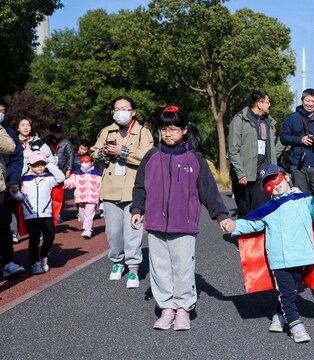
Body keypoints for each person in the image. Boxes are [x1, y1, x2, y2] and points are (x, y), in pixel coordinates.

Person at [131, 106, 233, 330]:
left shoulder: (195, 158)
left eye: (173, 129)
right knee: (160, 268)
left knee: (183, 268)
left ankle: (183, 309)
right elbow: (140, 187)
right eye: (164, 129)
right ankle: (166, 308)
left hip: (184, 225)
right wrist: (137, 210)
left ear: (184, 130)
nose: (168, 134)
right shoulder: (151, 156)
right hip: (156, 224)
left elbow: (208, 191)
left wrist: (222, 216)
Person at [226, 164, 314, 343]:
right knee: (287, 291)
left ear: (286, 177)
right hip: (279, 259)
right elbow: (252, 223)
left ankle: (280, 314)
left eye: (275, 179)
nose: (274, 186)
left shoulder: (305, 200)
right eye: (268, 185)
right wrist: (234, 225)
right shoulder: (269, 209)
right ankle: (295, 324)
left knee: (290, 290)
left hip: (301, 256)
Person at [91, 96, 154, 288]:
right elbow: (94, 153)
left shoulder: (143, 133)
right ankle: (117, 262)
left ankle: (133, 268)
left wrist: (123, 152)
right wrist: (103, 152)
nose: (120, 112)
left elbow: (149, 157)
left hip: (134, 189)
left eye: (125, 108)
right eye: (117, 108)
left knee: (133, 231)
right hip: (110, 188)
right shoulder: (106, 131)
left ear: (133, 111)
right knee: (113, 231)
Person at [228, 90, 277, 218]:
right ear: (259, 104)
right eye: (267, 102)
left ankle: (260, 238)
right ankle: (245, 237)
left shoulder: (269, 122)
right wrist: (240, 173)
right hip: (244, 175)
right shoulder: (240, 120)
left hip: (263, 173)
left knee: (263, 209)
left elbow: (271, 150)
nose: (269, 105)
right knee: (245, 211)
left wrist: (274, 170)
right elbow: (233, 150)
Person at [16, 151, 65, 274]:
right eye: (36, 164)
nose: (39, 166)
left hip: (46, 213)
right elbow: (19, 196)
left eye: (42, 164)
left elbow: (61, 177)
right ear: (29, 165)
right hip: (30, 215)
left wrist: (49, 164)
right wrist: (14, 192)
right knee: (34, 239)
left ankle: (43, 257)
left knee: (50, 236)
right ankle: (35, 263)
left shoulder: (49, 178)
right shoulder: (23, 179)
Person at [279, 89, 314, 194]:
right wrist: (300, 140)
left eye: (313, 101)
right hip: (298, 166)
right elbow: (283, 138)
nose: (310, 104)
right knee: (301, 198)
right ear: (302, 101)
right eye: (307, 101)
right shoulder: (292, 118)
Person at [0, 98, 25, 278]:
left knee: (4, 226)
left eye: (2, 111)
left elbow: (14, 153)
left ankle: (8, 262)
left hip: (4, 186)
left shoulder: (6, 131)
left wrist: (14, 180)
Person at [63, 155, 102, 238]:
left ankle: (88, 230)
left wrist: (101, 198)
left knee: (89, 214)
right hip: (80, 198)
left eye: (86, 162)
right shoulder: (76, 174)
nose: (84, 164)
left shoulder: (97, 175)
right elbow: (71, 183)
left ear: (92, 163)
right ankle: (86, 226)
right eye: (83, 162)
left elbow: (100, 187)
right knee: (81, 215)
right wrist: (63, 184)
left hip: (92, 198)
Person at [44, 122, 74, 225]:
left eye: (60, 131)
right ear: (51, 132)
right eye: (56, 132)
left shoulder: (66, 142)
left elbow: (70, 156)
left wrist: (69, 169)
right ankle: (49, 211)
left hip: (62, 169)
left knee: (60, 192)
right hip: (48, 169)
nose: (58, 134)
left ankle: (59, 213)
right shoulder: (45, 142)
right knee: (48, 191)